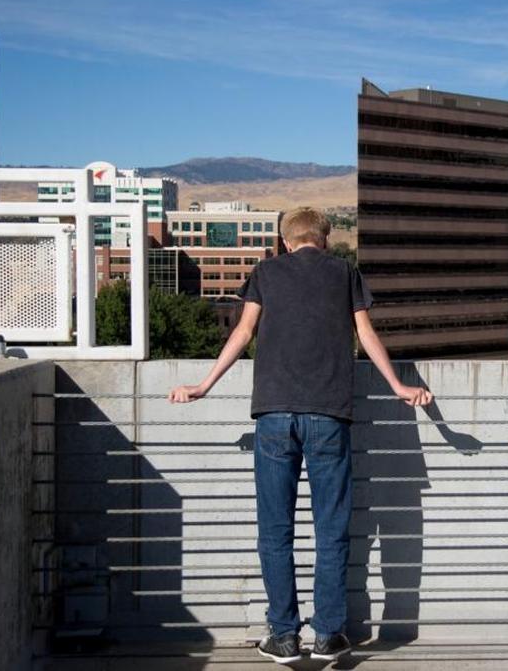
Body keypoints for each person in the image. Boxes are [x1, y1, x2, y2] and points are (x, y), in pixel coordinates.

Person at [168, 207, 432, 663]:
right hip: (329, 415)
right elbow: (366, 335)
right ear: (324, 239)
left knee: (275, 531)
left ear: (287, 241)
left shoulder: (266, 271)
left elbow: (243, 332)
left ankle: (285, 636)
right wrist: (398, 386)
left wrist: (203, 385)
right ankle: (329, 635)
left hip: (273, 415)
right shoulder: (344, 272)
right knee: (332, 530)